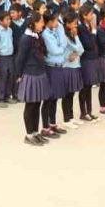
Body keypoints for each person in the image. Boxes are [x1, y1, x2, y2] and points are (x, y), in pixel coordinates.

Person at [15, 13, 50, 147]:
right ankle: (29, 134)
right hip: (30, 73)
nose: (43, 24)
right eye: (40, 22)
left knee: (37, 104)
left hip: (40, 72)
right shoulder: (26, 38)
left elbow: (44, 52)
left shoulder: (38, 36)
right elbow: (20, 58)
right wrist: (18, 75)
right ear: (33, 23)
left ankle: (35, 132)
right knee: (30, 105)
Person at [41, 10, 67, 138]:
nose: (58, 22)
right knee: (48, 99)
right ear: (49, 22)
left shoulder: (57, 29)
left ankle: (53, 124)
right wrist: (61, 48)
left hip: (59, 67)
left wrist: (60, 27)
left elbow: (65, 42)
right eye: (55, 20)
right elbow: (55, 50)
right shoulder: (46, 33)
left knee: (55, 98)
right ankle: (45, 128)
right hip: (50, 68)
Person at [60, 11, 84, 130]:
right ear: (68, 23)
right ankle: (66, 119)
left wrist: (76, 37)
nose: (76, 25)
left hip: (75, 65)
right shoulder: (65, 36)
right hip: (67, 67)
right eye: (74, 23)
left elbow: (81, 50)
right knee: (67, 95)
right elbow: (75, 48)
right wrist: (76, 49)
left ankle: (71, 117)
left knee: (72, 93)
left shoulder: (73, 34)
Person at [77, 4, 99, 122]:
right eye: (90, 14)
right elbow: (88, 45)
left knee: (89, 86)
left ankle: (89, 111)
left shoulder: (88, 25)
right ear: (84, 15)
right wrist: (94, 32)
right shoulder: (81, 27)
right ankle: (83, 112)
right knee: (84, 86)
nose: (92, 16)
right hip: (86, 59)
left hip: (92, 58)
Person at [0, 11, 15, 107]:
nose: (9, 21)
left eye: (9, 19)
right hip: (2, 57)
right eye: (7, 19)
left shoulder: (10, 30)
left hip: (10, 56)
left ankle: (7, 95)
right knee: (2, 77)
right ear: (0, 21)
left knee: (10, 76)